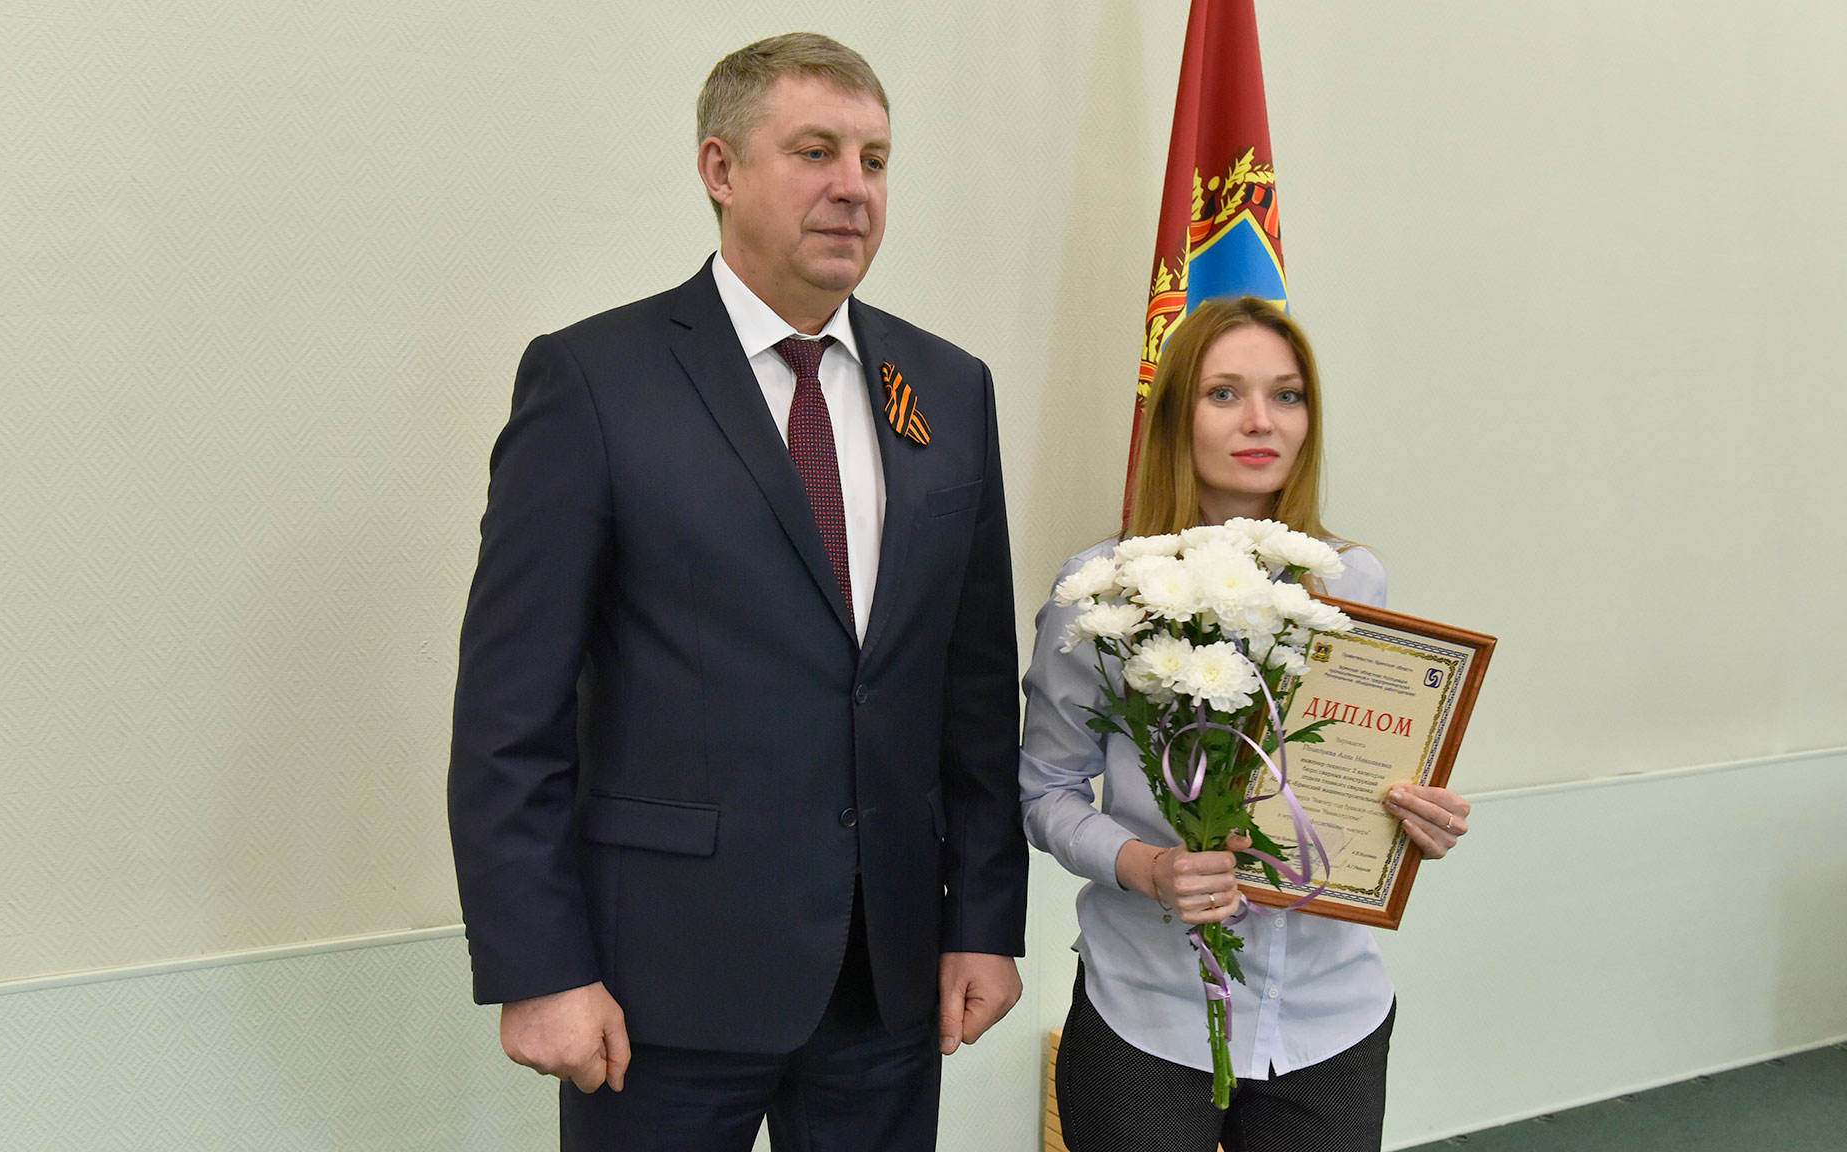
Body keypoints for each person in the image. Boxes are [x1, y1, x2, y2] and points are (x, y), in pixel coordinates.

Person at [447, 32, 1028, 1152]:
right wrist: (539, 967)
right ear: (720, 168)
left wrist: (985, 919)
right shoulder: (595, 381)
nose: (853, 188)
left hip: (887, 981)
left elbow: (970, 688)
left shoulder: (948, 389)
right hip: (657, 989)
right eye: (815, 152)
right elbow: (509, 713)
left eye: (875, 160)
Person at [1020, 297, 1470, 1152]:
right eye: (1224, 393)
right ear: (1175, 416)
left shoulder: (1352, 580)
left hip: (1329, 1015)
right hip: (1148, 1009)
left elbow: (1355, 768)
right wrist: (1148, 866)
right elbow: (1044, 791)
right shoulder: (1103, 590)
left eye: (1287, 395)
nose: (1262, 420)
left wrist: (1416, 819)